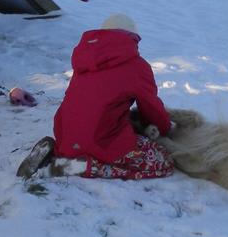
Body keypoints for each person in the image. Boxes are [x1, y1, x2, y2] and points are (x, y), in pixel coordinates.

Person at [16, 14, 174, 180]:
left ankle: (60, 153)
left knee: (92, 131)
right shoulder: (137, 66)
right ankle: (80, 167)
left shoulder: (85, 59)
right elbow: (151, 108)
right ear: (132, 38)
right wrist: (165, 129)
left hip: (65, 135)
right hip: (100, 141)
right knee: (163, 161)